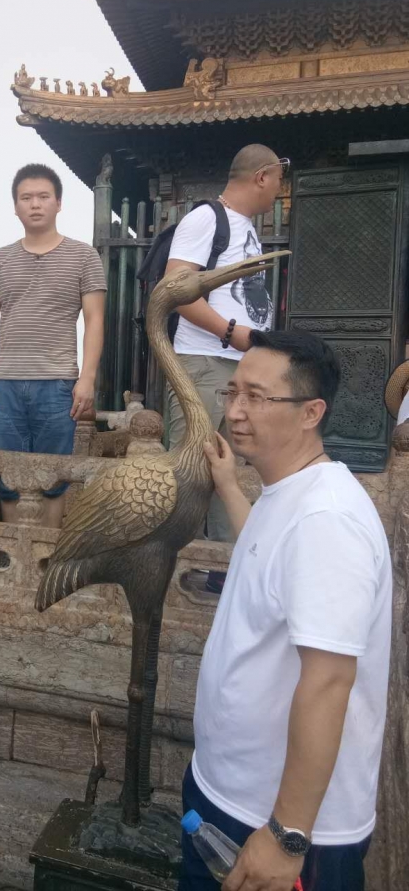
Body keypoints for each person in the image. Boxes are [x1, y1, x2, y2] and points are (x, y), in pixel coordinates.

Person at [179, 331, 391, 891]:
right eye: (232, 393)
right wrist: (229, 486)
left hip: (281, 829)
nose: (235, 411)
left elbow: (329, 681)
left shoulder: (327, 520)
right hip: (228, 795)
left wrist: (287, 834)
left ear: (310, 413)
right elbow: (269, 556)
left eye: (256, 396)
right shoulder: (288, 494)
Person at [166, 145, 288, 542]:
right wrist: (232, 333)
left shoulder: (245, 227)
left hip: (237, 367)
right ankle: (178, 564)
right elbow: (175, 292)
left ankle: (223, 565)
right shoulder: (206, 218)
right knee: (190, 472)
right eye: (279, 180)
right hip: (204, 364)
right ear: (262, 177)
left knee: (228, 475)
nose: (280, 191)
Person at [0, 163, 106, 528]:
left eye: (44, 196)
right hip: (5, 383)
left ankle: (44, 556)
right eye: (26, 197)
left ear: (58, 203)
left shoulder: (83, 257)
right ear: (15, 206)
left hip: (58, 382)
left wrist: (87, 378)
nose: (35, 204)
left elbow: (95, 320)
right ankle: (16, 555)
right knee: (8, 479)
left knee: (53, 478)